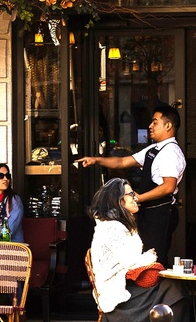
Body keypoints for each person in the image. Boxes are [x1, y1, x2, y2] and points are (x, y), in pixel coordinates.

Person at [77, 104, 185, 265]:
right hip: (148, 212)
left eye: (155, 122)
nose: (150, 126)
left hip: (160, 212)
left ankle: (157, 290)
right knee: (145, 256)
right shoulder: (154, 149)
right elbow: (122, 161)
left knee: (155, 258)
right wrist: (96, 160)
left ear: (168, 125)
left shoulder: (171, 152)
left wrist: (139, 198)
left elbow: (168, 186)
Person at [89, 177, 188, 322]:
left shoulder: (120, 225)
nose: (135, 197)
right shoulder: (111, 227)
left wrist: (145, 257)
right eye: (130, 194)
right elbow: (130, 262)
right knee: (172, 289)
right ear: (118, 200)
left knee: (173, 288)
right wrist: (149, 257)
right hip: (118, 292)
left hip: (128, 283)